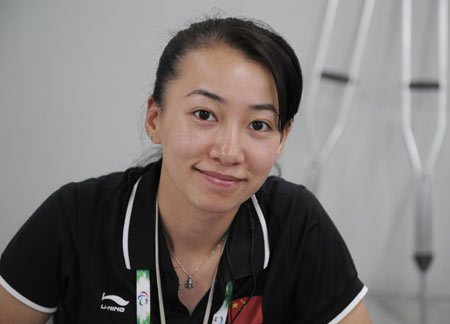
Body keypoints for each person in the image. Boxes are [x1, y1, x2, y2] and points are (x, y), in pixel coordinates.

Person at [0, 17, 371, 323]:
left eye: (258, 124)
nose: (228, 152)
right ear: (155, 119)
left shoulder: (296, 223)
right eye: (204, 115)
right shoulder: (77, 218)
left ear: (281, 138)